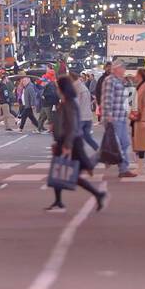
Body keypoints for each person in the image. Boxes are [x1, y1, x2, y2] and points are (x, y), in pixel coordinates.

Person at [46, 76, 108, 213]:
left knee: (69, 173)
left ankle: (98, 191)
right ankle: (59, 200)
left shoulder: (70, 104)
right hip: (65, 141)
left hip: (72, 142)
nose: (56, 89)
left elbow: (72, 126)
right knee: (59, 170)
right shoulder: (65, 102)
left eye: (58, 87)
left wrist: (67, 146)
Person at [101, 62, 137, 178]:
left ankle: (123, 169)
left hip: (121, 116)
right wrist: (108, 115)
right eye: (122, 68)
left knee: (124, 143)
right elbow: (107, 98)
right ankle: (91, 163)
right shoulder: (110, 80)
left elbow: (127, 98)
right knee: (115, 145)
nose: (124, 69)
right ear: (116, 69)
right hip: (114, 117)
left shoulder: (121, 81)